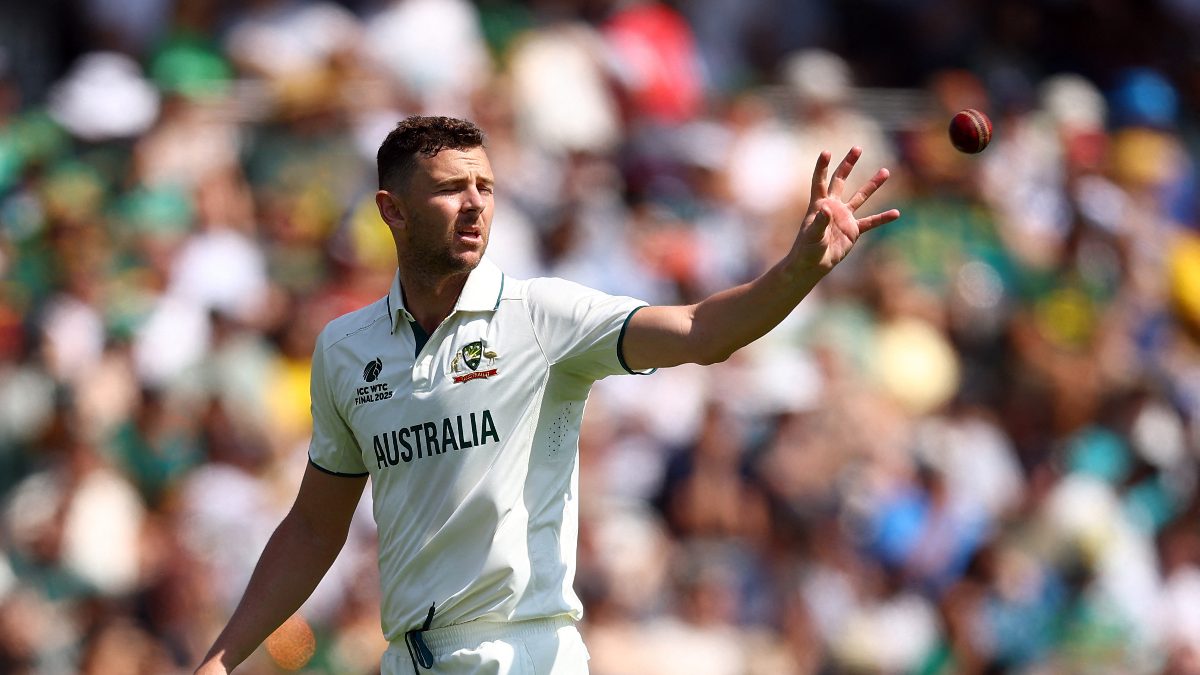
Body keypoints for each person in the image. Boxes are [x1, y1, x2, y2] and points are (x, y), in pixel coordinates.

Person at [194, 115, 899, 674]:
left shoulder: (542, 316)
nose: (474, 204)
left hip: (526, 654)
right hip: (406, 657)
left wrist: (797, 270)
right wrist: (223, 657)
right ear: (392, 210)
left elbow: (699, 329)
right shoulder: (345, 349)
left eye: (486, 186)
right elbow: (315, 526)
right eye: (449, 188)